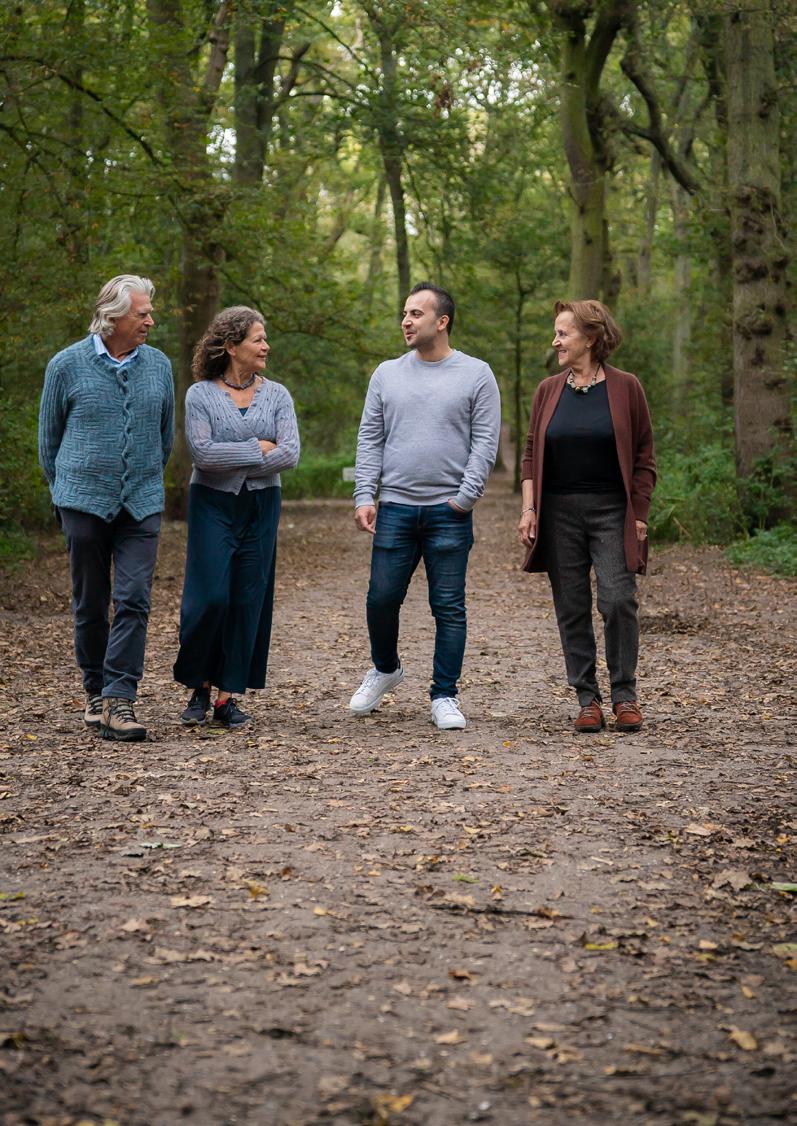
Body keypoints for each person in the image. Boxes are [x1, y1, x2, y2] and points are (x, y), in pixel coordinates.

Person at [350, 282, 501, 730]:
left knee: (448, 607)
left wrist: (465, 498)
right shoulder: (386, 374)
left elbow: (485, 441)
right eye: (404, 313)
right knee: (381, 598)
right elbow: (370, 438)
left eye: (416, 313)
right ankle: (386, 668)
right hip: (396, 506)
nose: (406, 321)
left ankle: (444, 695)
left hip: (448, 512)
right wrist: (365, 494)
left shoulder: (476, 374)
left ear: (442, 321)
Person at [38, 275, 175, 741]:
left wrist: (140, 478)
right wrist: (68, 493)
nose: (150, 321)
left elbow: (164, 438)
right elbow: (49, 442)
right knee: (90, 603)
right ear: (114, 316)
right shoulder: (66, 365)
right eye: (143, 314)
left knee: (134, 598)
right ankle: (95, 690)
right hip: (81, 501)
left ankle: (120, 698)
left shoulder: (159, 366)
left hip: (141, 501)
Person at [518, 299, 656, 734]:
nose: (555, 341)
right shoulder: (548, 390)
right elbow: (530, 454)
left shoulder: (626, 387)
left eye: (564, 333)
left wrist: (639, 512)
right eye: (556, 333)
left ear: (591, 337)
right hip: (559, 512)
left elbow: (644, 455)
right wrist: (529, 508)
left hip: (613, 511)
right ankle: (587, 699)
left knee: (618, 599)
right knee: (572, 606)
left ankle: (625, 695)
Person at [173, 306, 300, 728]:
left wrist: (237, 456)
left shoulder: (277, 395)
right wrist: (257, 448)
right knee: (210, 597)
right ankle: (199, 683)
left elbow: (290, 453)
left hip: (261, 505)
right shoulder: (200, 395)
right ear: (231, 346)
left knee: (248, 598)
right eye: (257, 339)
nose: (266, 346)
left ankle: (227, 696)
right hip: (211, 503)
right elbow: (202, 455)